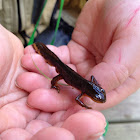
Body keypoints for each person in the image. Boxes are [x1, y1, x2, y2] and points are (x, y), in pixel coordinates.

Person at [1, 0, 140, 139]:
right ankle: (42, 55)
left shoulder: (86, 89)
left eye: (99, 95)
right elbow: (79, 98)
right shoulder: (84, 92)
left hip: (62, 27)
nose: (99, 97)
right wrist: (84, 105)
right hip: (63, 68)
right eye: (97, 97)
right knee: (56, 68)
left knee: (57, 64)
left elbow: (90, 82)